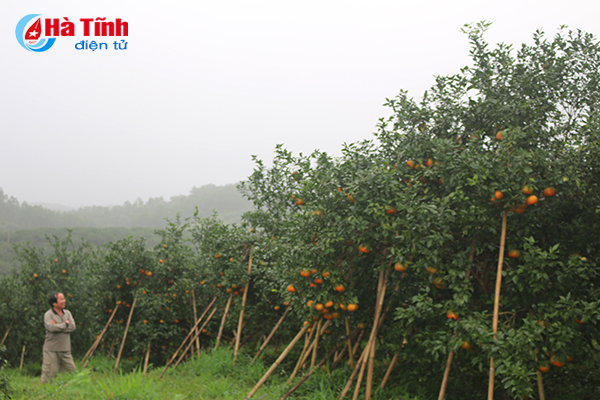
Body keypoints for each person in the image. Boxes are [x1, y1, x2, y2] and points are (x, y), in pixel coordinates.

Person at [41, 292, 76, 383]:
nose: (64, 301)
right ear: (54, 303)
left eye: (64, 298)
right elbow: (50, 327)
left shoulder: (67, 313)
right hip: (51, 349)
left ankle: (73, 391)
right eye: (61, 299)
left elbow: (72, 327)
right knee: (49, 374)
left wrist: (58, 326)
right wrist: (65, 324)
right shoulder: (48, 314)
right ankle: (46, 393)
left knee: (73, 372)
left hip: (65, 349)